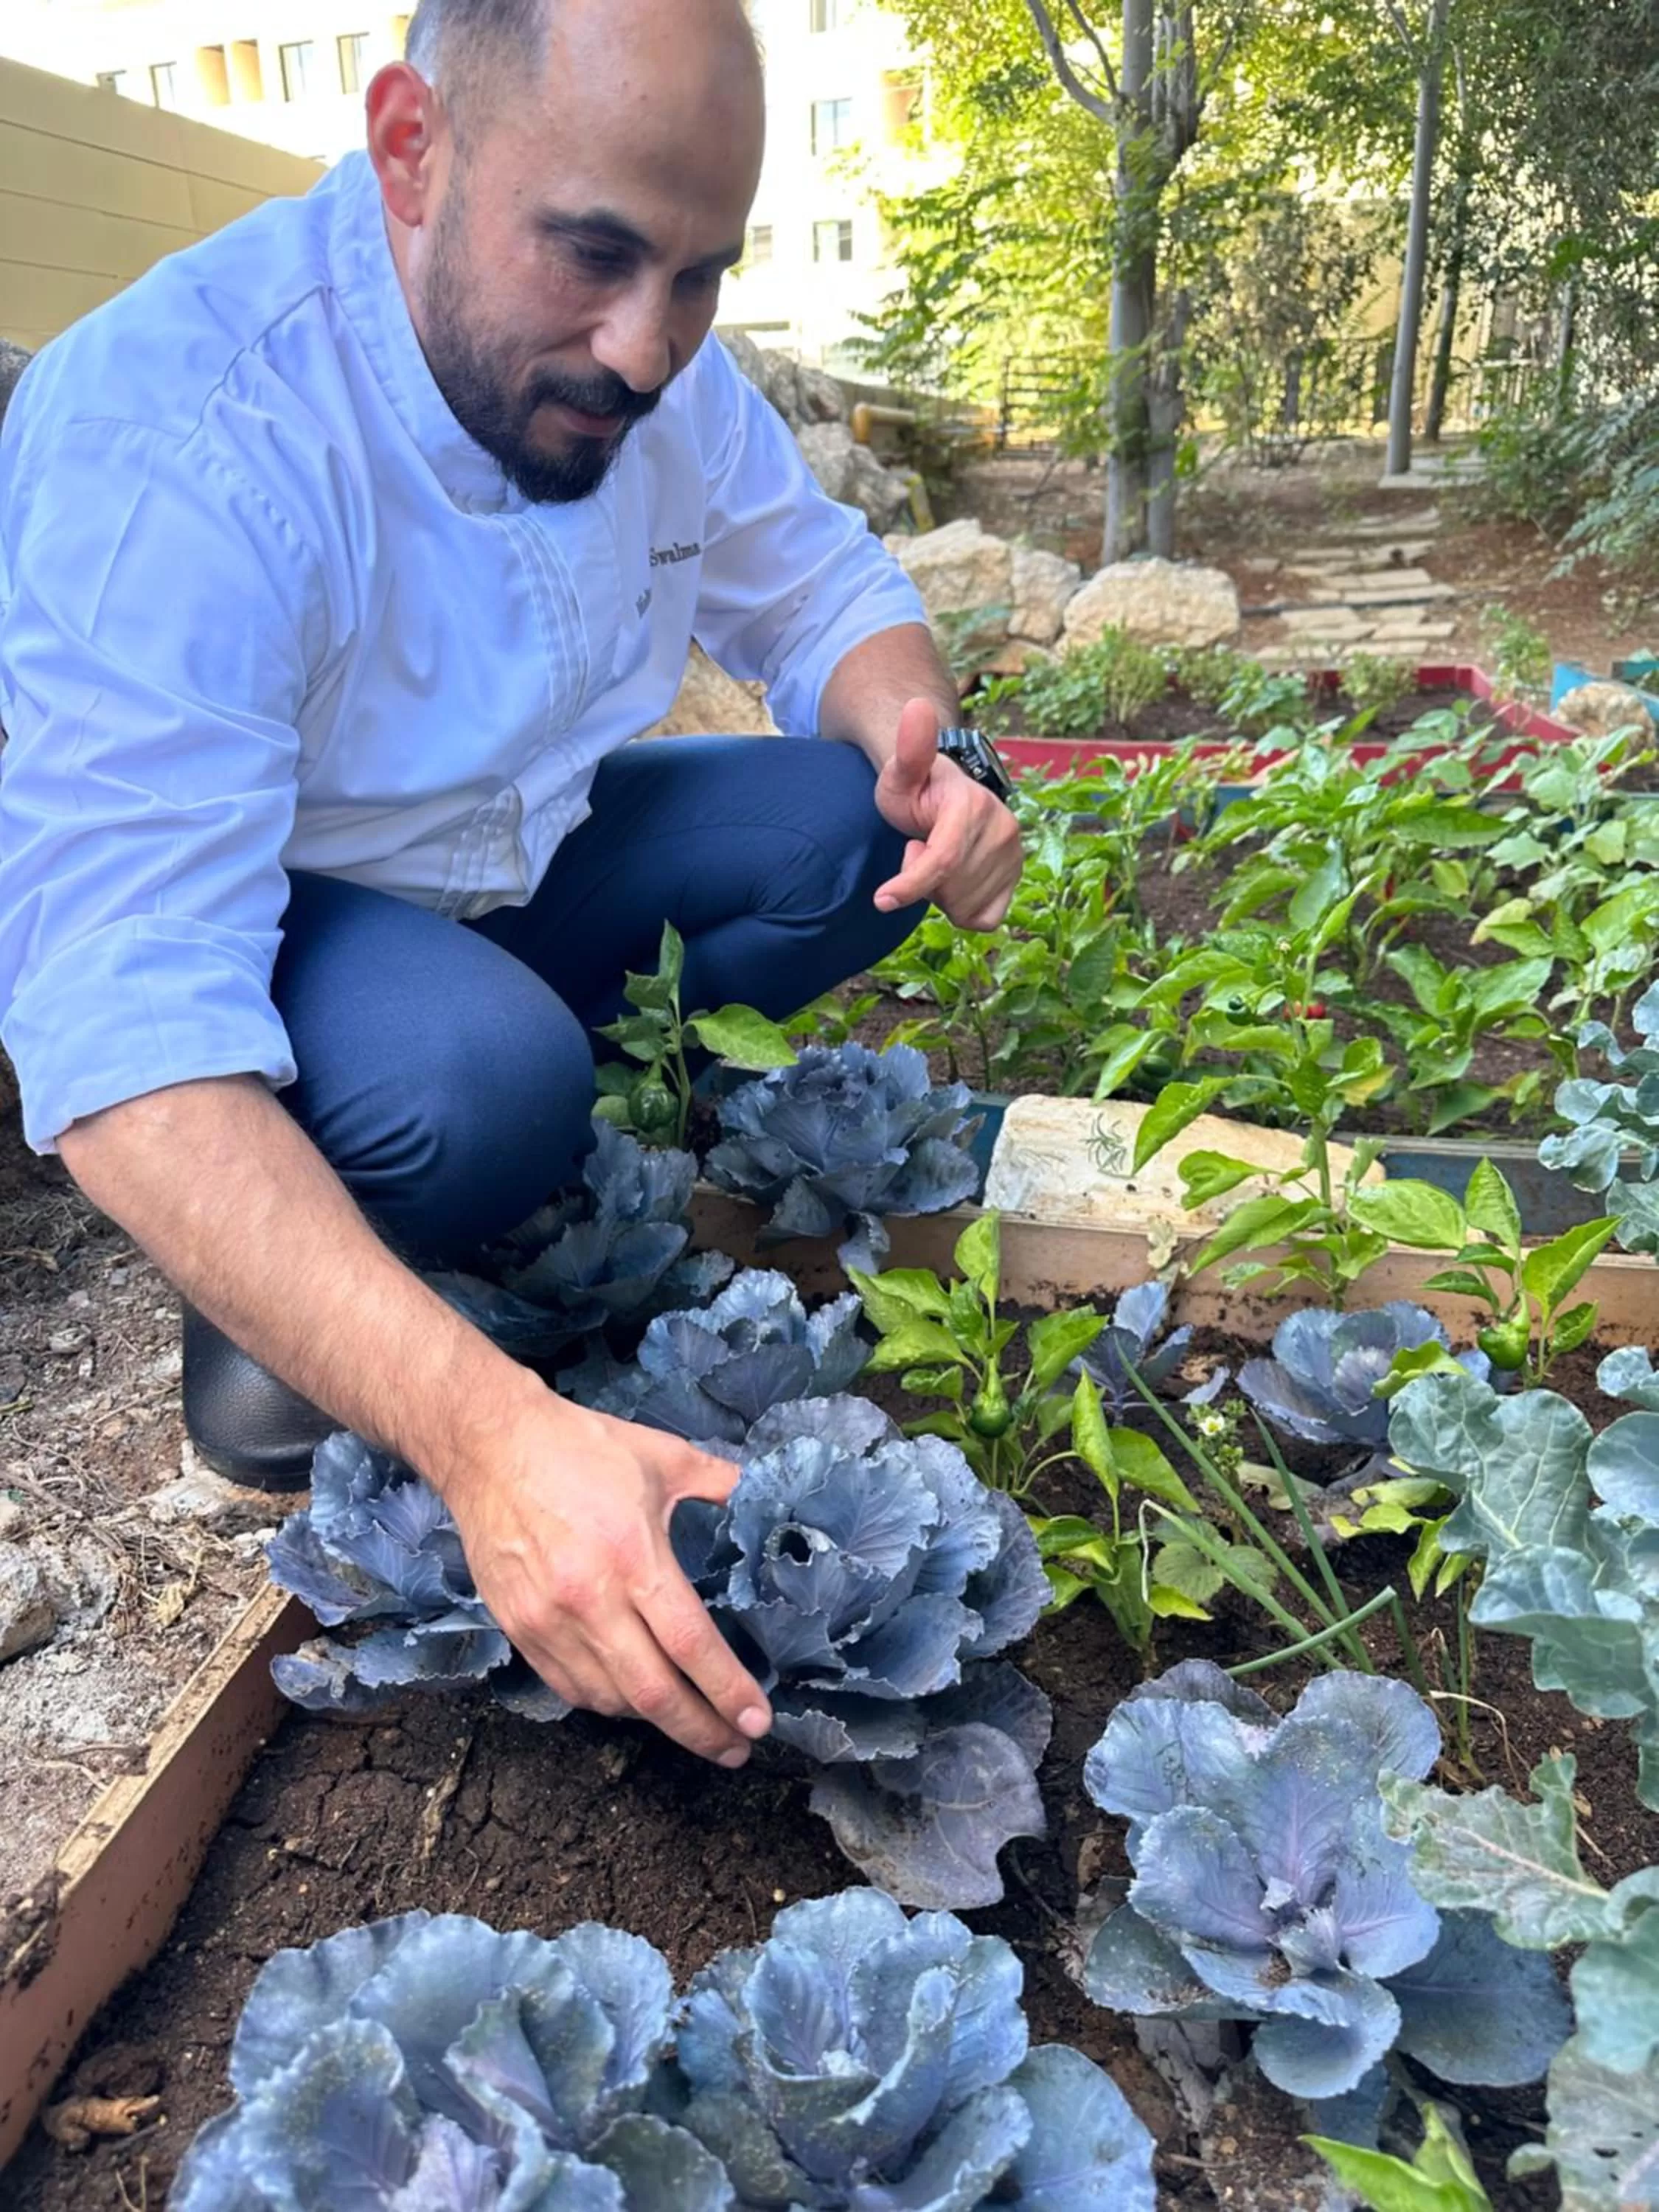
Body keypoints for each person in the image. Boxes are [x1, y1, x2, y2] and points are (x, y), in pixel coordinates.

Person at [0, 0, 1023, 1773]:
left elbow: (822, 588)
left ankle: (477, 1125)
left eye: (699, 273)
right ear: (411, 149)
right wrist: (493, 1440)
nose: (647, 349)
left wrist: (930, 745)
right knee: (489, 1090)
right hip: (273, 911)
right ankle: (306, 1260)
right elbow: (126, 1042)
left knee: (852, 832)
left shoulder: (652, 353)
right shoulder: (179, 439)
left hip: (504, 858)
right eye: (598, 255)